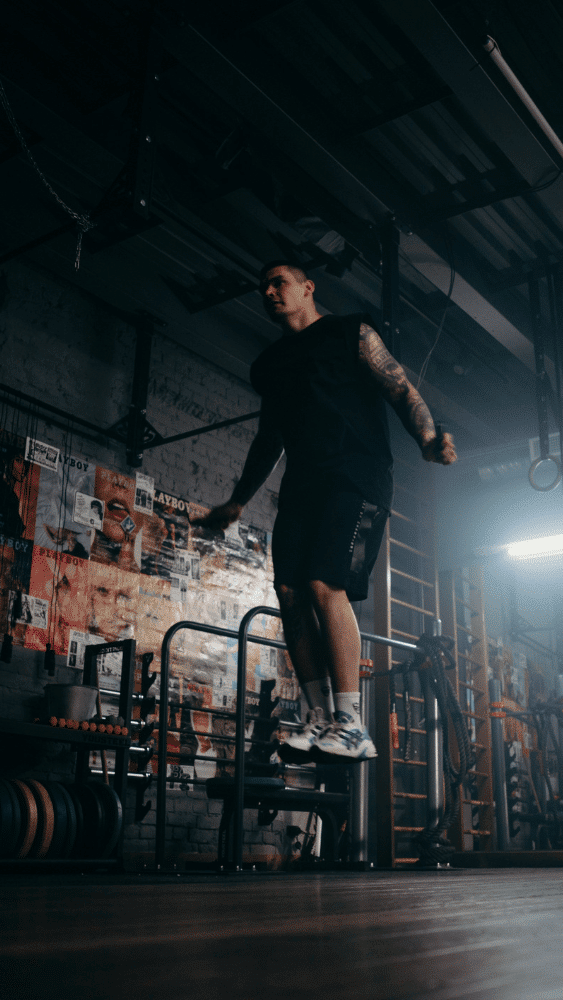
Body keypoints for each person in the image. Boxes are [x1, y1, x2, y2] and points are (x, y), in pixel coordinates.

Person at [195, 260, 456, 760]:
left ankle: (351, 722)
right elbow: (269, 437)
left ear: (308, 288)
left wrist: (425, 437)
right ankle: (316, 716)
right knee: (290, 594)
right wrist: (238, 500)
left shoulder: (350, 332)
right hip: (302, 483)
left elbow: (399, 386)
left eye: (279, 282)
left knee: (322, 584)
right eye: (262, 286)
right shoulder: (268, 365)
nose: (269, 291)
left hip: (357, 475)